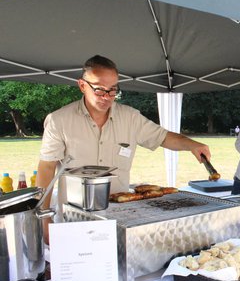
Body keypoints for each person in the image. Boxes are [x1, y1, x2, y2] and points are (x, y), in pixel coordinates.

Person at [37, 55, 211, 238]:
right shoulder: (59, 120)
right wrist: (43, 218)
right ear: (82, 85)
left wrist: (192, 145)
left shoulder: (130, 118)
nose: (106, 97)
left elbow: (163, 137)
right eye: (99, 90)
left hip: (120, 219)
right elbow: (46, 168)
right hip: (74, 219)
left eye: (112, 90)